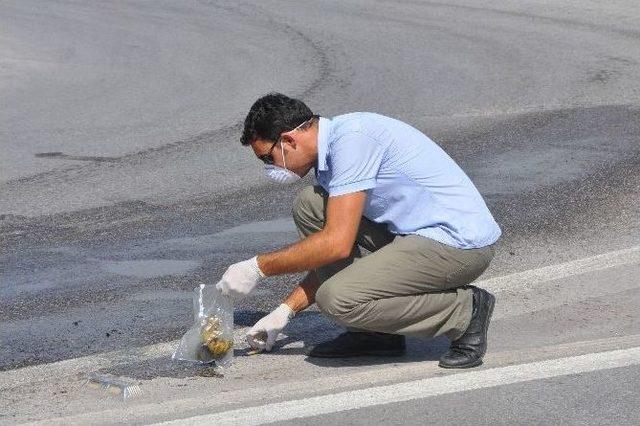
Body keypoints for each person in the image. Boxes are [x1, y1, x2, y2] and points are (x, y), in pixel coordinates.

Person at [216, 93, 502, 368]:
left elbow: (336, 245)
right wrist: (285, 311)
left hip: (458, 245)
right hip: (415, 236)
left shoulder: (352, 142)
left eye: (268, 158)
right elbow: (334, 254)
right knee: (311, 206)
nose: (269, 167)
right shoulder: (331, 156)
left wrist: (257, 268)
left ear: (288, 140)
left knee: (337, 300)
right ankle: (377, 333)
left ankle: (464, 311)